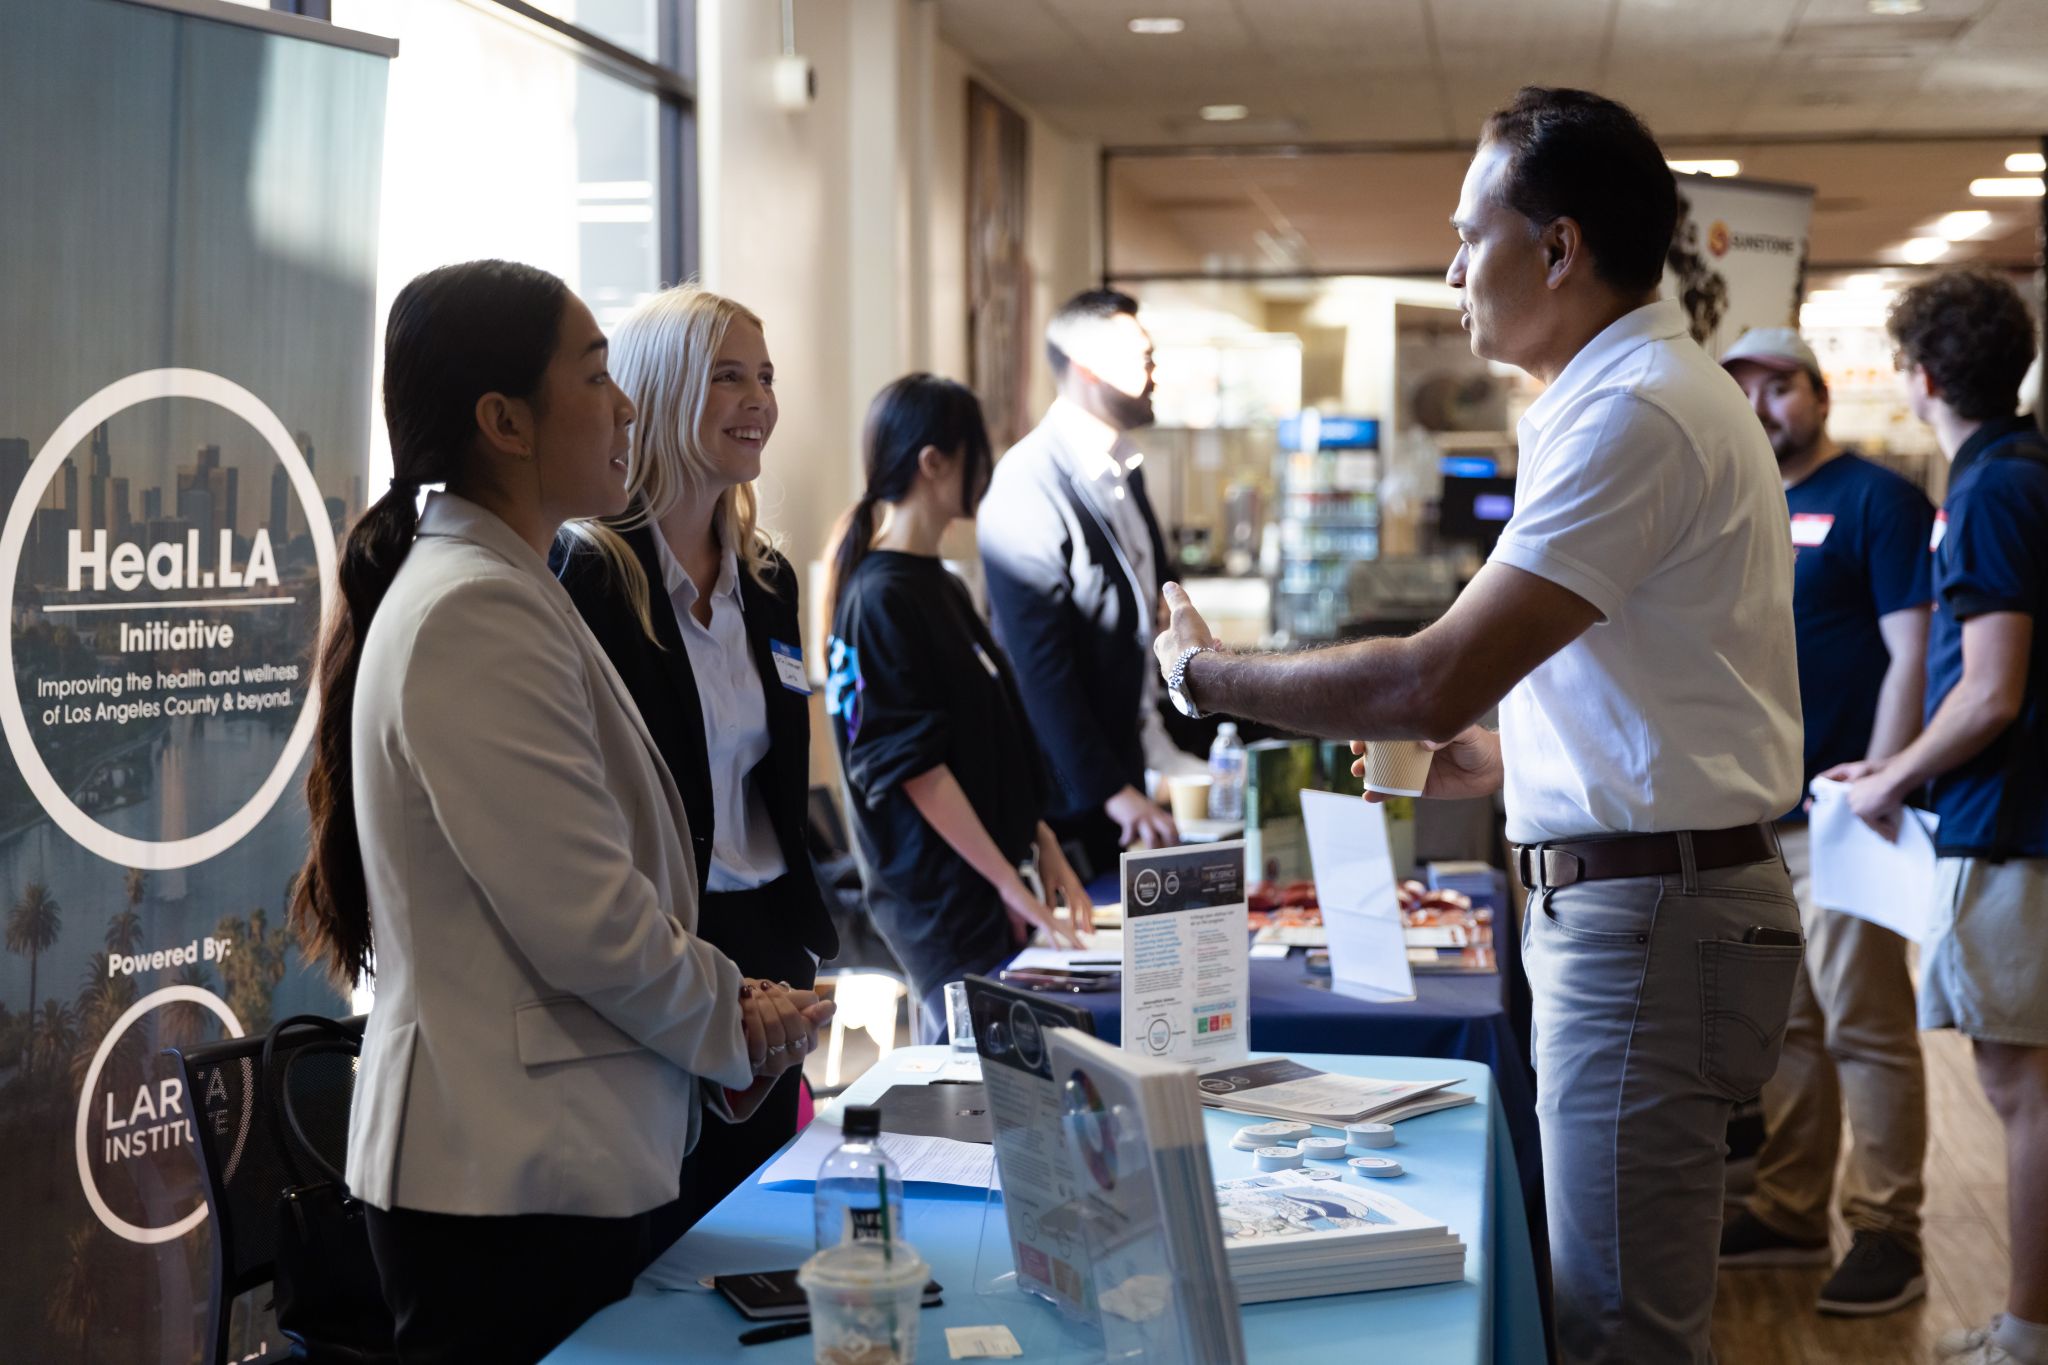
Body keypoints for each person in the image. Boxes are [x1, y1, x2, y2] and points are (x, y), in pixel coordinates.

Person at [1150, 88, 1803, 1364]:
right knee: (1603, 1304)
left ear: (1557, 248)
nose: (1451, 271)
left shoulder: (1635, 412)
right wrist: (1511, 756)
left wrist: (1207, 674)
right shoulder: (1614, 397)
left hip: (1651, 924)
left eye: (1469, 237)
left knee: (1618, 1327)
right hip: (1643, 904)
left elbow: (1426, 679)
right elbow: (1665, 687)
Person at [290, 260, 830, 1365]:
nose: (623, 403)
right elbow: (592, 924)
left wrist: (733, 1032)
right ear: (503, 421)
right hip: (501, 1186)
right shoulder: (478, 609)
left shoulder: (507, 583)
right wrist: (737, 1024)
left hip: (548, 1165)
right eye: (594, 377)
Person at [553, 285, 840, 1241]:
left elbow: (775, 780)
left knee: (764, 1230)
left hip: (769, 937)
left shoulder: (770, 579)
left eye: (765, 377)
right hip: (666, 937)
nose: (758, 400)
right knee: (676, 1230)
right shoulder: (591, 570)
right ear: (663, 388)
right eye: (728, 377)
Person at [1829, 269, 2048, 1365]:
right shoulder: (2014, 470)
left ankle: (2023, 1332)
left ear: (1916, 377)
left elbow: (1988, 687)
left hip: (2011, 824)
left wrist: (1887, 776)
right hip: (2002, 819)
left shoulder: (1994, 486)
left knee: (2019, 1085)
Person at [1714, 328, 1934, 1316]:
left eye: (1777, 387)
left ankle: (1888, 1228)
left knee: (1865, 1023)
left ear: (1816, 393)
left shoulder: (1875, 500)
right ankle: (1790, 1206)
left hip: (1847, 812)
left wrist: (1879, 779)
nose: (1761, 407)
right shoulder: (1750, 502)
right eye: (1743, 390)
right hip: (1760, 814)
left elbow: (1912, 650)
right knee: (1789, 1025)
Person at [826, 373, 1093, 1038]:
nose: (990, 468)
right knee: (973, 1100)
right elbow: (918, 769)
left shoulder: (937, 584)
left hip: (988, 887)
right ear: (933, 462)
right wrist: (1008, 880)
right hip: (945, 904)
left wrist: (1041, 839)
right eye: (979, 450)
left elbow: (992, 734)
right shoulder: (880, 597)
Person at [978, 288, 1204, 876]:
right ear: (1084, 368)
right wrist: (1111, 790)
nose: (1155, 372)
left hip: (1144, 761)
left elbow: (1156, 600)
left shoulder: (1124, 469)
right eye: (1142, 357)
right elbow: (1039, 669)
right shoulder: (1030, 482)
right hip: (1078, 802)